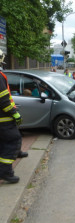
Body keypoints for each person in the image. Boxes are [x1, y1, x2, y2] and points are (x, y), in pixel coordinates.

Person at [0, 50, 26, 184]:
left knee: (4, 143)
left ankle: (6, 171)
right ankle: (4, 172)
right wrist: (14, 113)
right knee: (13, 140)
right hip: (3, 118)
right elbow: (3, 99)